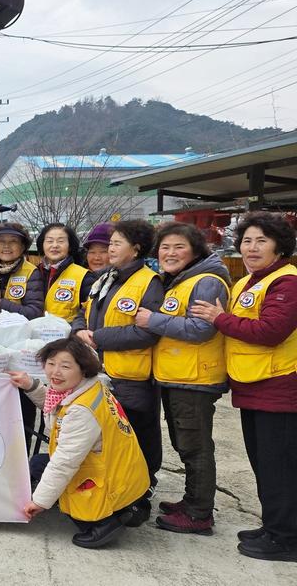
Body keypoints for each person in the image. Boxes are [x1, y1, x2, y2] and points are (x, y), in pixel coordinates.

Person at [191, 212, 297, 562]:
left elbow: (271, 331)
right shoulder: (249, 282)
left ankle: (287, 539)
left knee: (280, 466)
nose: (252, 248)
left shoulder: (287, 282)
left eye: (261, 241)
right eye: (247, 241)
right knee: (264, 463)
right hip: (253, 385)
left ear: (279, 246)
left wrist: (219, 318)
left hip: (279, 387)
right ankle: (274, 526)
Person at [134, 222, 230, 536]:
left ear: (195, 250)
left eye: (179, 247)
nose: (170, 253)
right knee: (185, 443)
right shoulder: (182, 280)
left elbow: (202, 330)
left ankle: (199, 514)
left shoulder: (206, 281)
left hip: (196, 378)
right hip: (179, 376)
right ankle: (191, 501)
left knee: (195, 446)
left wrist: (153, 320)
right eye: (165, 247)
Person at [11, 338, 149, 549]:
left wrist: (39, 502)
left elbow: (65, 462)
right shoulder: (90, 388)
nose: (55, 372)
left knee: (69, 493)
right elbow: (58, 407)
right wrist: (31, 386)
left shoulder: (82, 410)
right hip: (123, 471)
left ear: (83, 369)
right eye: (51, 363)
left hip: (111, 479)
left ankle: (104, 523)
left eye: (65, 366)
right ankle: (127, 507)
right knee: (39, 463)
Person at [73, 219, 164, 513]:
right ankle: (114, 496)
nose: (109, 249)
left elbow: (148, 332)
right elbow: (84, 311)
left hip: (132, 377)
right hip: (100, 373)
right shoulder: (105, 278)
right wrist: (79, 330)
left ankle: (140, 495)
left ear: (135, 249)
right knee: (109, 440)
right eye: (110, 244)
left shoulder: (149, 282)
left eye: (116, 243)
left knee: (136, 437)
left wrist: (98, 337)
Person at [0, 222, 44, 320]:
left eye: (13, 241)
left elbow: (34, 312)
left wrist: (0, 304)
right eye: (1, 241)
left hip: (18, 328)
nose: (6, 246)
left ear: (22, 247)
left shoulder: (31, 272)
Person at [37, 223, 96, 322]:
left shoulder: (84, 277)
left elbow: (89, 314)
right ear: (42, 245)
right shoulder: (34, 273)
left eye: (61, 241)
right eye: (49, 241)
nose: (55, 245)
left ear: (70, 246)